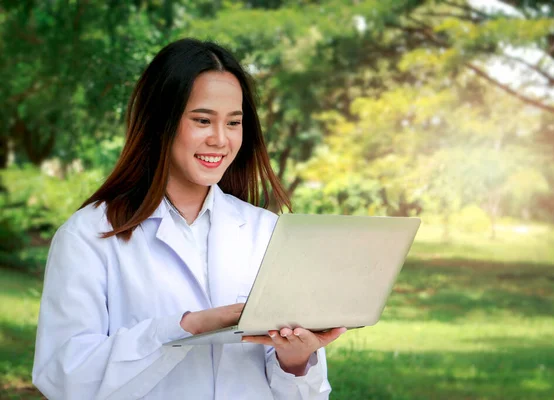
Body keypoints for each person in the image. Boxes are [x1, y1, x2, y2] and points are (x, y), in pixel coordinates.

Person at [32, 38, 346, 400]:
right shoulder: (89, 235)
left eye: (233, 123)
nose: (220, 139)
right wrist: (189, 326)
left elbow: (309, 394)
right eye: (202, 120)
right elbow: (64, 378)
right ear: (159, 121)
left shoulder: (268, 232)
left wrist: (295, 361)